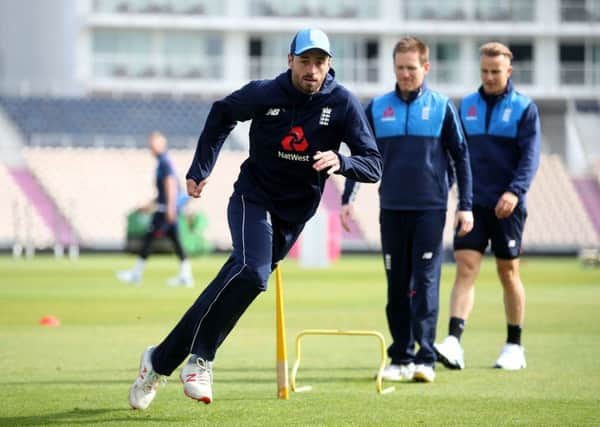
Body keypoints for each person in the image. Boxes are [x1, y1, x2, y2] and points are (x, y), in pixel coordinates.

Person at [128, 28, 382, 409]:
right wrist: (201, 166)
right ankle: (200, 360)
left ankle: (158, 361)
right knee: (252, 274)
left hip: (293, 217)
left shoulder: (343, 103)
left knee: (225, 288)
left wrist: (343, 162)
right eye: (305, 61)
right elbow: (222, 113)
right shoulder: (265, 93)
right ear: (290, 61)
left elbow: (373, 163)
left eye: (320, 62)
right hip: (253, 198)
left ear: (330, 65)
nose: (312, 70)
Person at [340, 37, 473, 383]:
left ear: (425, 67)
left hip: (430, 208)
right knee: (396, 285)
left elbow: (461, 157)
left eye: (411, 68)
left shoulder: (442, 107)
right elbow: (361, 154)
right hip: (392, 208)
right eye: (399, 68)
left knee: (426, 283)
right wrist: (348, 199)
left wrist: (466, 206)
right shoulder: (377, 107)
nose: (405, 74)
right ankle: (400, 357)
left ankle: (425, 359)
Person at [434, 42, 541, 371]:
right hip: (472, 204)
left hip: (508, 204)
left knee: (508, 272)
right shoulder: (466, 106)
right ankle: (453, 341)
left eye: (496, 71)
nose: (490, 77)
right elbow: (455, 154)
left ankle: (514, 346)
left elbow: (530, 156)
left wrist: (515, 191)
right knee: (465, 267)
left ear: (509, 71)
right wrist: (448, 190)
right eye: (484, 71)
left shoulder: (525, 108)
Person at [117, 132, 194, 288]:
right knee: (176, 241)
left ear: (161, 145)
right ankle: (185, 275)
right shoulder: (163, 162)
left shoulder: (164, 162)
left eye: (153, 144)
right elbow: (164, 191)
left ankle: (136, 274)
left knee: (149, 239)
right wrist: (151, 204)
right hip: (165, 207)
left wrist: (171, 208)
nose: (150, 147)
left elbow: (170, 184)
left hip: (165, 210)